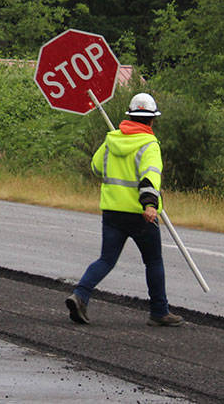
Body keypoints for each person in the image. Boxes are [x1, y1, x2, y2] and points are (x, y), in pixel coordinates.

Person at [66, 92, 182, 327]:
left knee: (106, 259)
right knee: (153, 261)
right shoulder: (149, 144)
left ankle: (80, 295)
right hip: (140, 215)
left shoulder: (111, 139)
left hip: (111, 212)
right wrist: (150, 205)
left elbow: (96, 167)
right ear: (151, 120)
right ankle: (159, 312)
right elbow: (150, 177)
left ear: (129, 116)